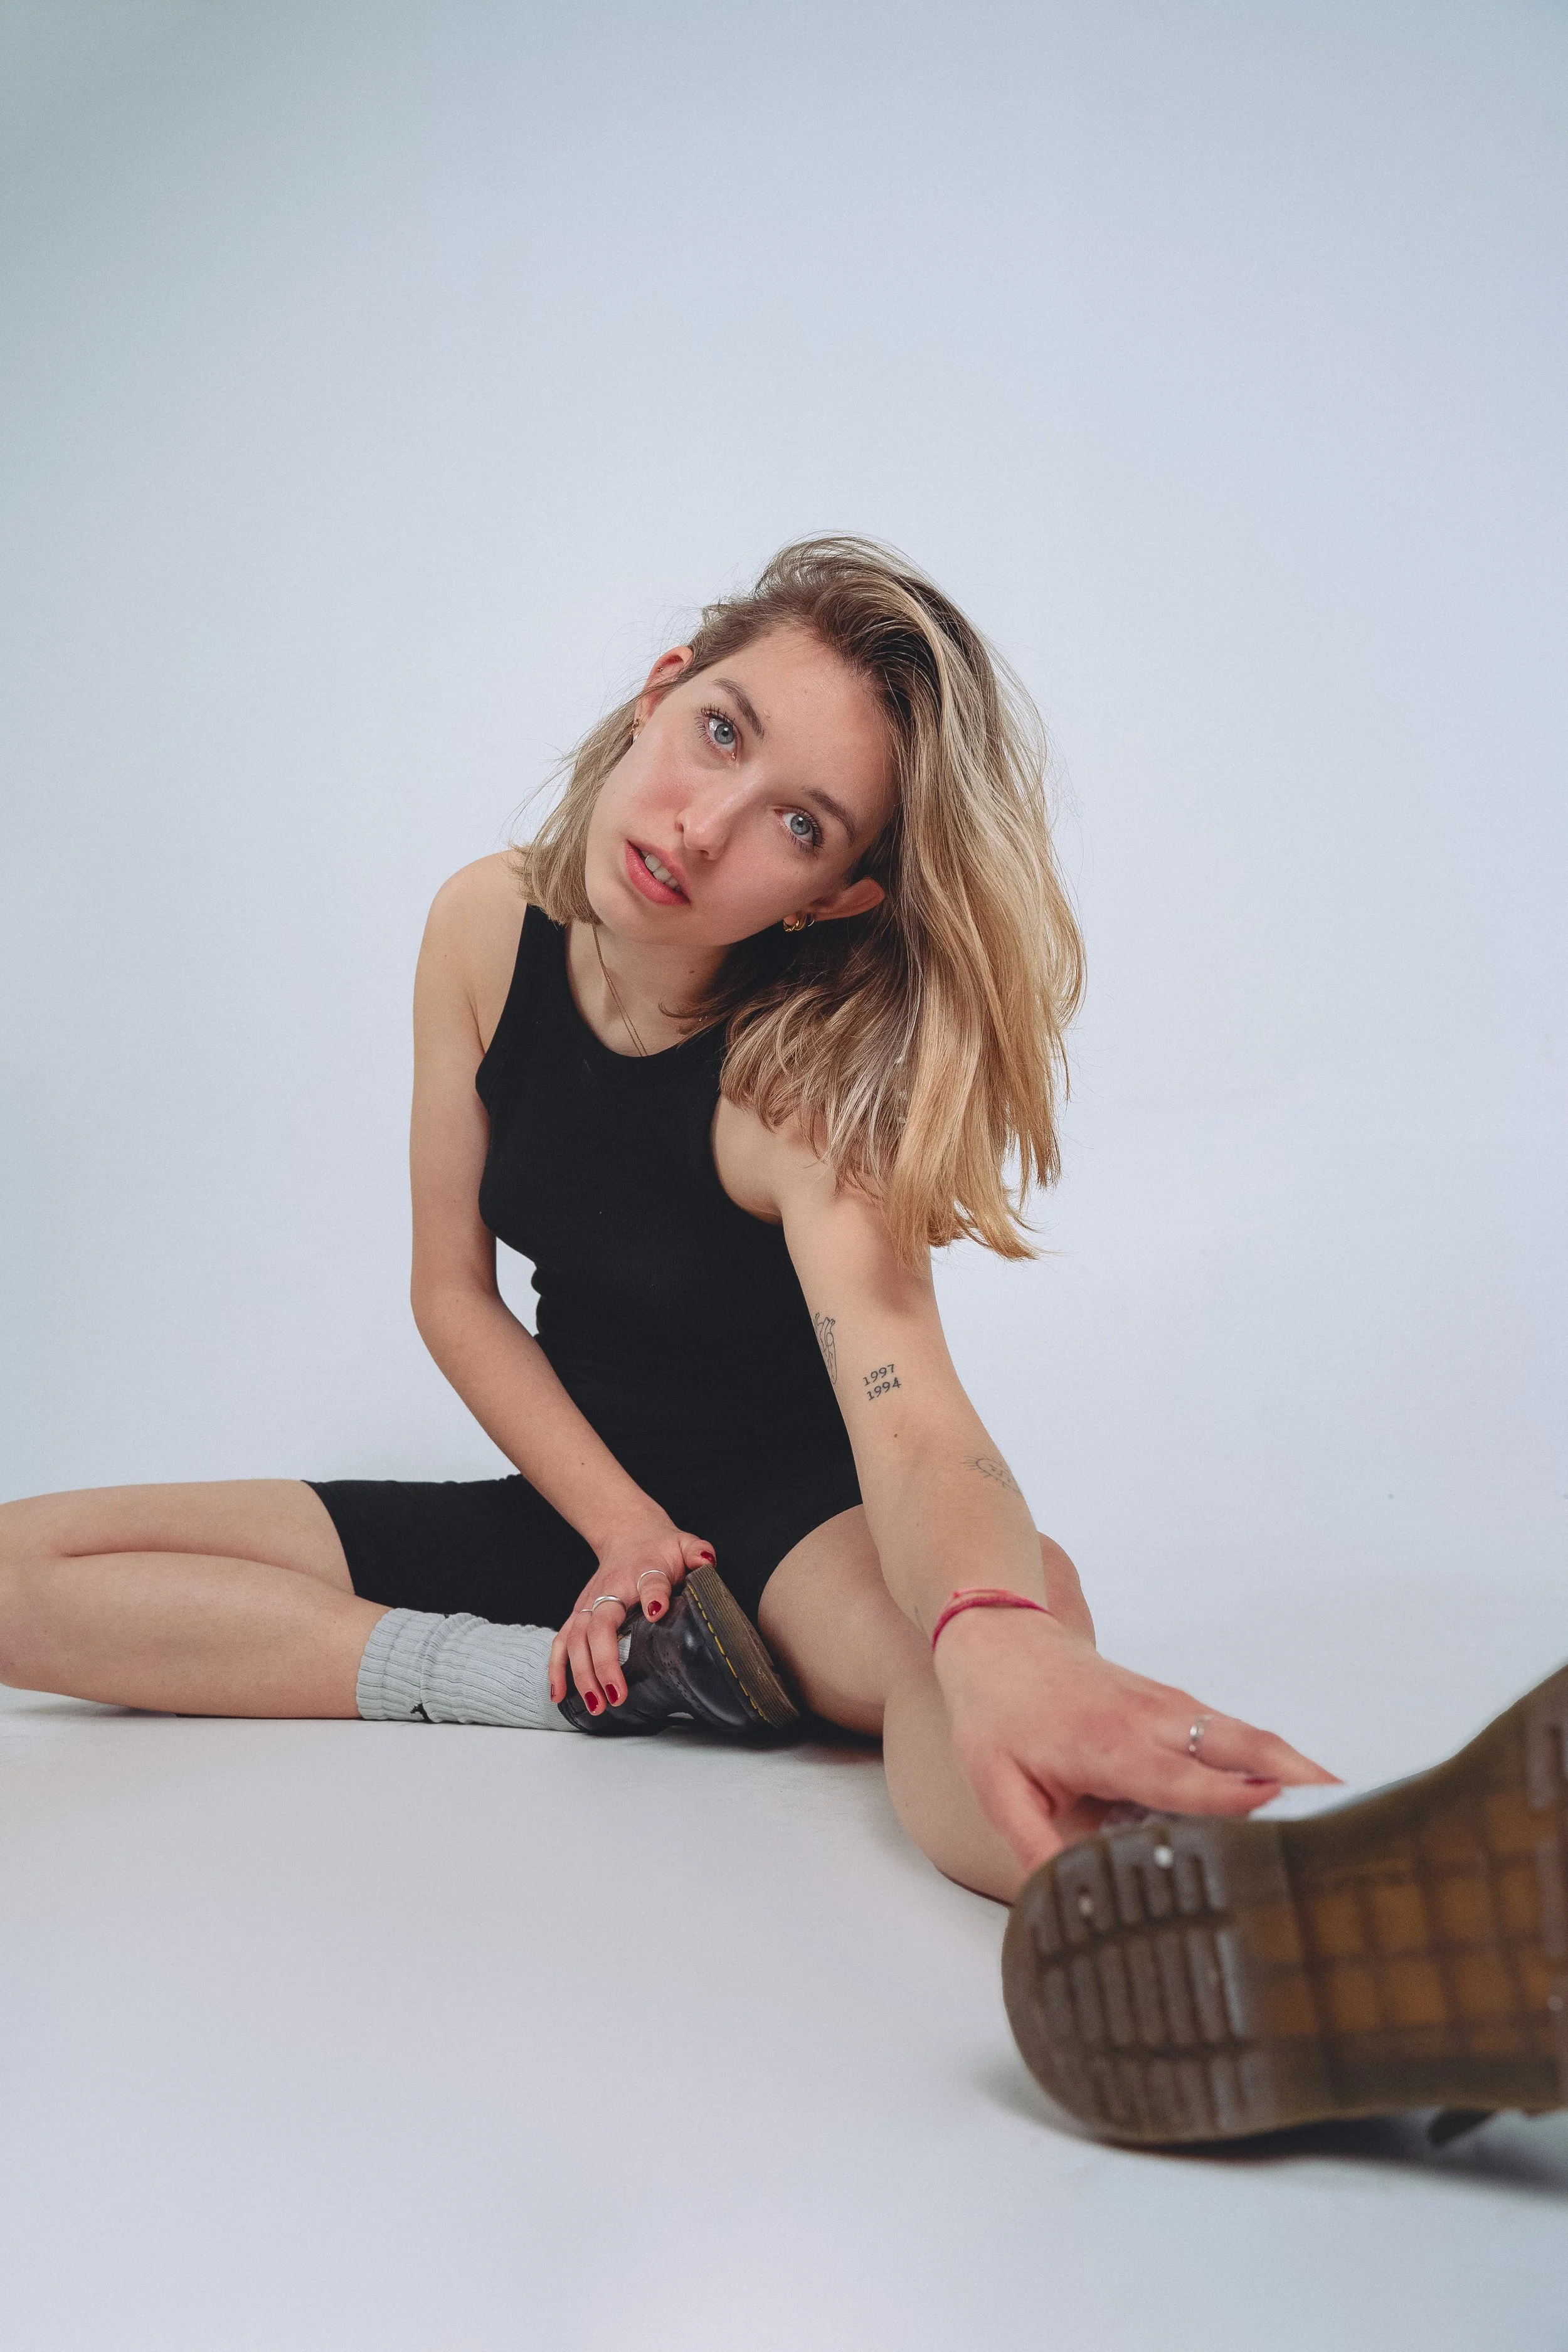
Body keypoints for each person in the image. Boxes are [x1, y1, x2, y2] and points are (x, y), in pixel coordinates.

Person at [6, 536, 1562, 2148]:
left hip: (795, 1531)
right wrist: (619, 1546)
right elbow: (450, 1293)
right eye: (723, 735)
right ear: (659, 692)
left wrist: (982, 1618)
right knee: (19, 1576)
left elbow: (910, 1412)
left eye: (796, 826)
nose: (704, 822)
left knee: (977, 1676)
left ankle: (1290, 1955)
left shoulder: (793, 1090)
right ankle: (574, 1691)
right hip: (584, 1522)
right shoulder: (483, 929)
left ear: (843, 895)